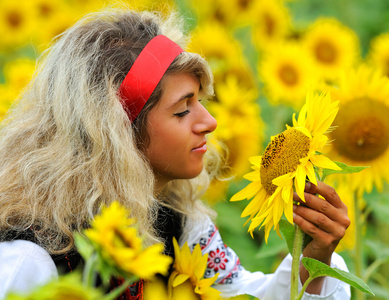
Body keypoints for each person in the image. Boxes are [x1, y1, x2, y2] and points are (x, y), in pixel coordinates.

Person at [0, 7, 351, 300]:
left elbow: (242, 293)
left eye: (200, 100)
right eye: (183, 110)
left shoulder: (174, 216)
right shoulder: (29, 261)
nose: (210, 122)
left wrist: (314, 257)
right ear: (117, 133)